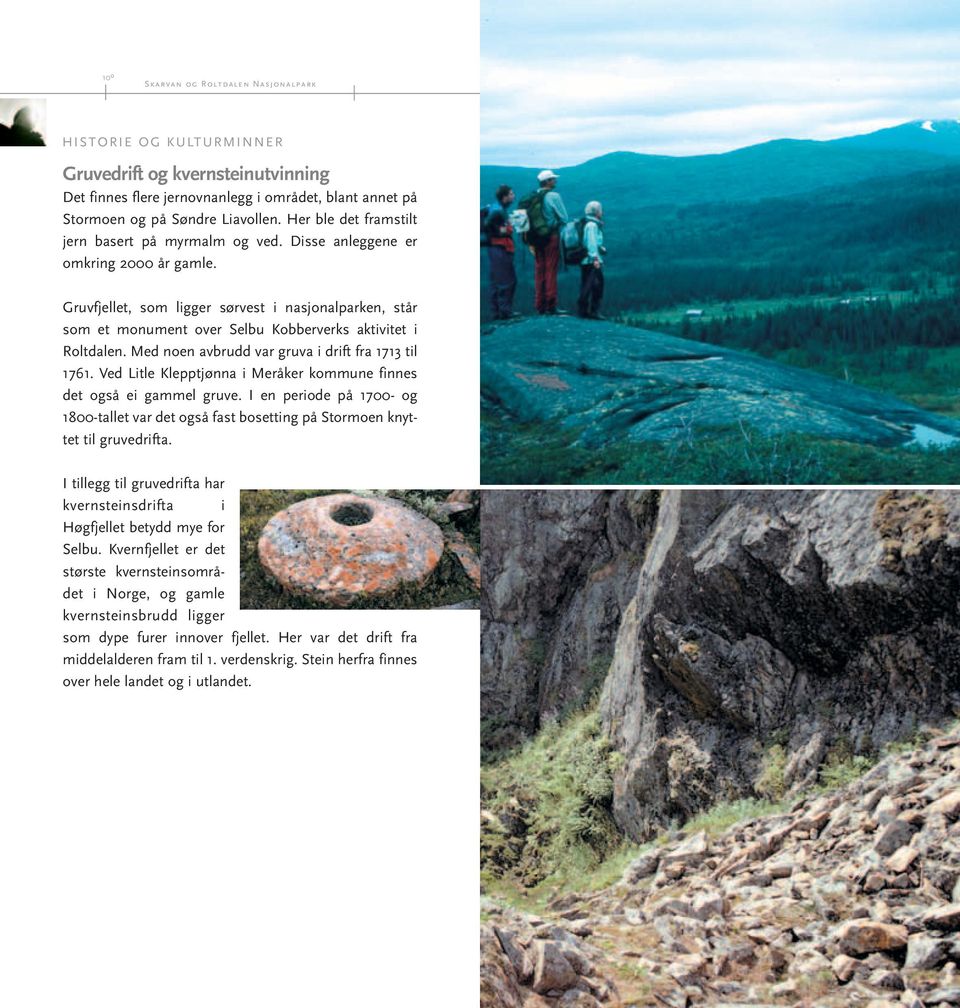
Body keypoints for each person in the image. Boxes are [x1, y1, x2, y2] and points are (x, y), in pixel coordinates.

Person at [525, 169, 568, 315]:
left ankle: (540, 305)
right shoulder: (554, 196)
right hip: (551, 237)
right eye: (553, 179)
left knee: (539, 270)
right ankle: (551, 304)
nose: (555, 181)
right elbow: (564, 218)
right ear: (547, 182)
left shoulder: (533, 196)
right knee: (551, 270)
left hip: (536, 239)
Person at [485, 185, 518, 320]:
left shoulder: (495, 208)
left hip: (494, 249)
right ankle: (505, 312)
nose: (513, 196)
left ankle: (497, 312)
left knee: (496, 282)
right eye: (511, 194)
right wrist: (507, 229)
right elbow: (491, 227)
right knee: (508, 281)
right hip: (500, 248)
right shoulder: (498, 211)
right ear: (504, 197)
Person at [577, 201, 605, 319]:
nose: (602, 212)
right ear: (597, 212)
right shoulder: (592, 225)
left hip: (586, 260)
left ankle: (584, 310)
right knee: (596, 285)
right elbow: (591, 243)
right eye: (600, 210)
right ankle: (593, 311)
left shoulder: (589, 224)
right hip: (591, 260)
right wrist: (595, 259)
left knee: (588, 284)